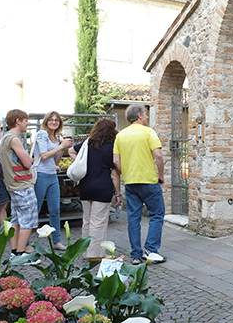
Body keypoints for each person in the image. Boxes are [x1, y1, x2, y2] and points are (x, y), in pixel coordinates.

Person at [113, 105, 166, 264]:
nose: (147, 117)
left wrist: (127, 172)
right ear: (140, 116)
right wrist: (161, 175)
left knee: (133, 218)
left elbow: (116, 160)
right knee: (157, 214)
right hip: (148, 180)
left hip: (130, 182)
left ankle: (136, 255)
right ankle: (151, 250)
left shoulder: (120, 135)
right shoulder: (149, 132)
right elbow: (158, 155)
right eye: (146, 114)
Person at [69, 118, 121, 260]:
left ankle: (85, 251)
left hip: (85, 186)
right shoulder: (111, 147)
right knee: (98, 222)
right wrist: (118, 193)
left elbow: (71, 150)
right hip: (102, 187)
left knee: (87, 220)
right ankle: (96, 254)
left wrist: (81, 163)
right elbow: (115, 173)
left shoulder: (87, 143)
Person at [0, 109, 38, 257]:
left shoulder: (5, 138)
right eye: (26, 120)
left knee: (16, 219)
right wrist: (30, 159)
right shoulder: (14, 139)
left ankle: (14, 251)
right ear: (18, 121)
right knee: (28, 221)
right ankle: (21, 254)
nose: (27, 123)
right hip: (23, 186)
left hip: (13, 185)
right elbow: (27, 163)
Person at [32, 111, 72, 250]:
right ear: (46, 121)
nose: (54, 122)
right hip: (41, 175)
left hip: (52, 175)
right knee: (34, 210)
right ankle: (25, 242)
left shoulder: (56, 137)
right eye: (51, 120)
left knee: (55, 210)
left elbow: (55, 161)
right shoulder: (42, 134)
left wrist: (62, 149)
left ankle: (57, 241)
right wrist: (61, 146)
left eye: (56, 120)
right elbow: (43, 156)